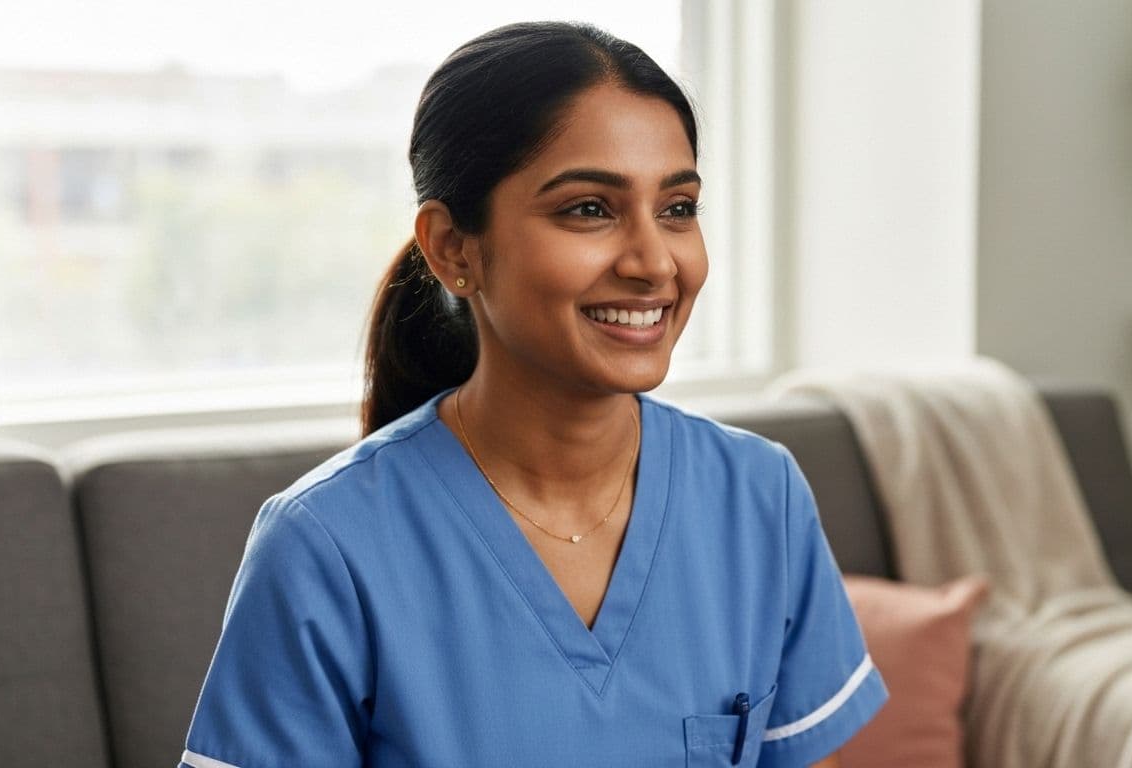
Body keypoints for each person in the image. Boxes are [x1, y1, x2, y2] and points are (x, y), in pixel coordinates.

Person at [179, 21, 886, 768]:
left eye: (677, 208)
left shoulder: (760, 496)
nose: (654, 263)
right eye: (590, 209)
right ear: (453, 248)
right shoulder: (324, 546)